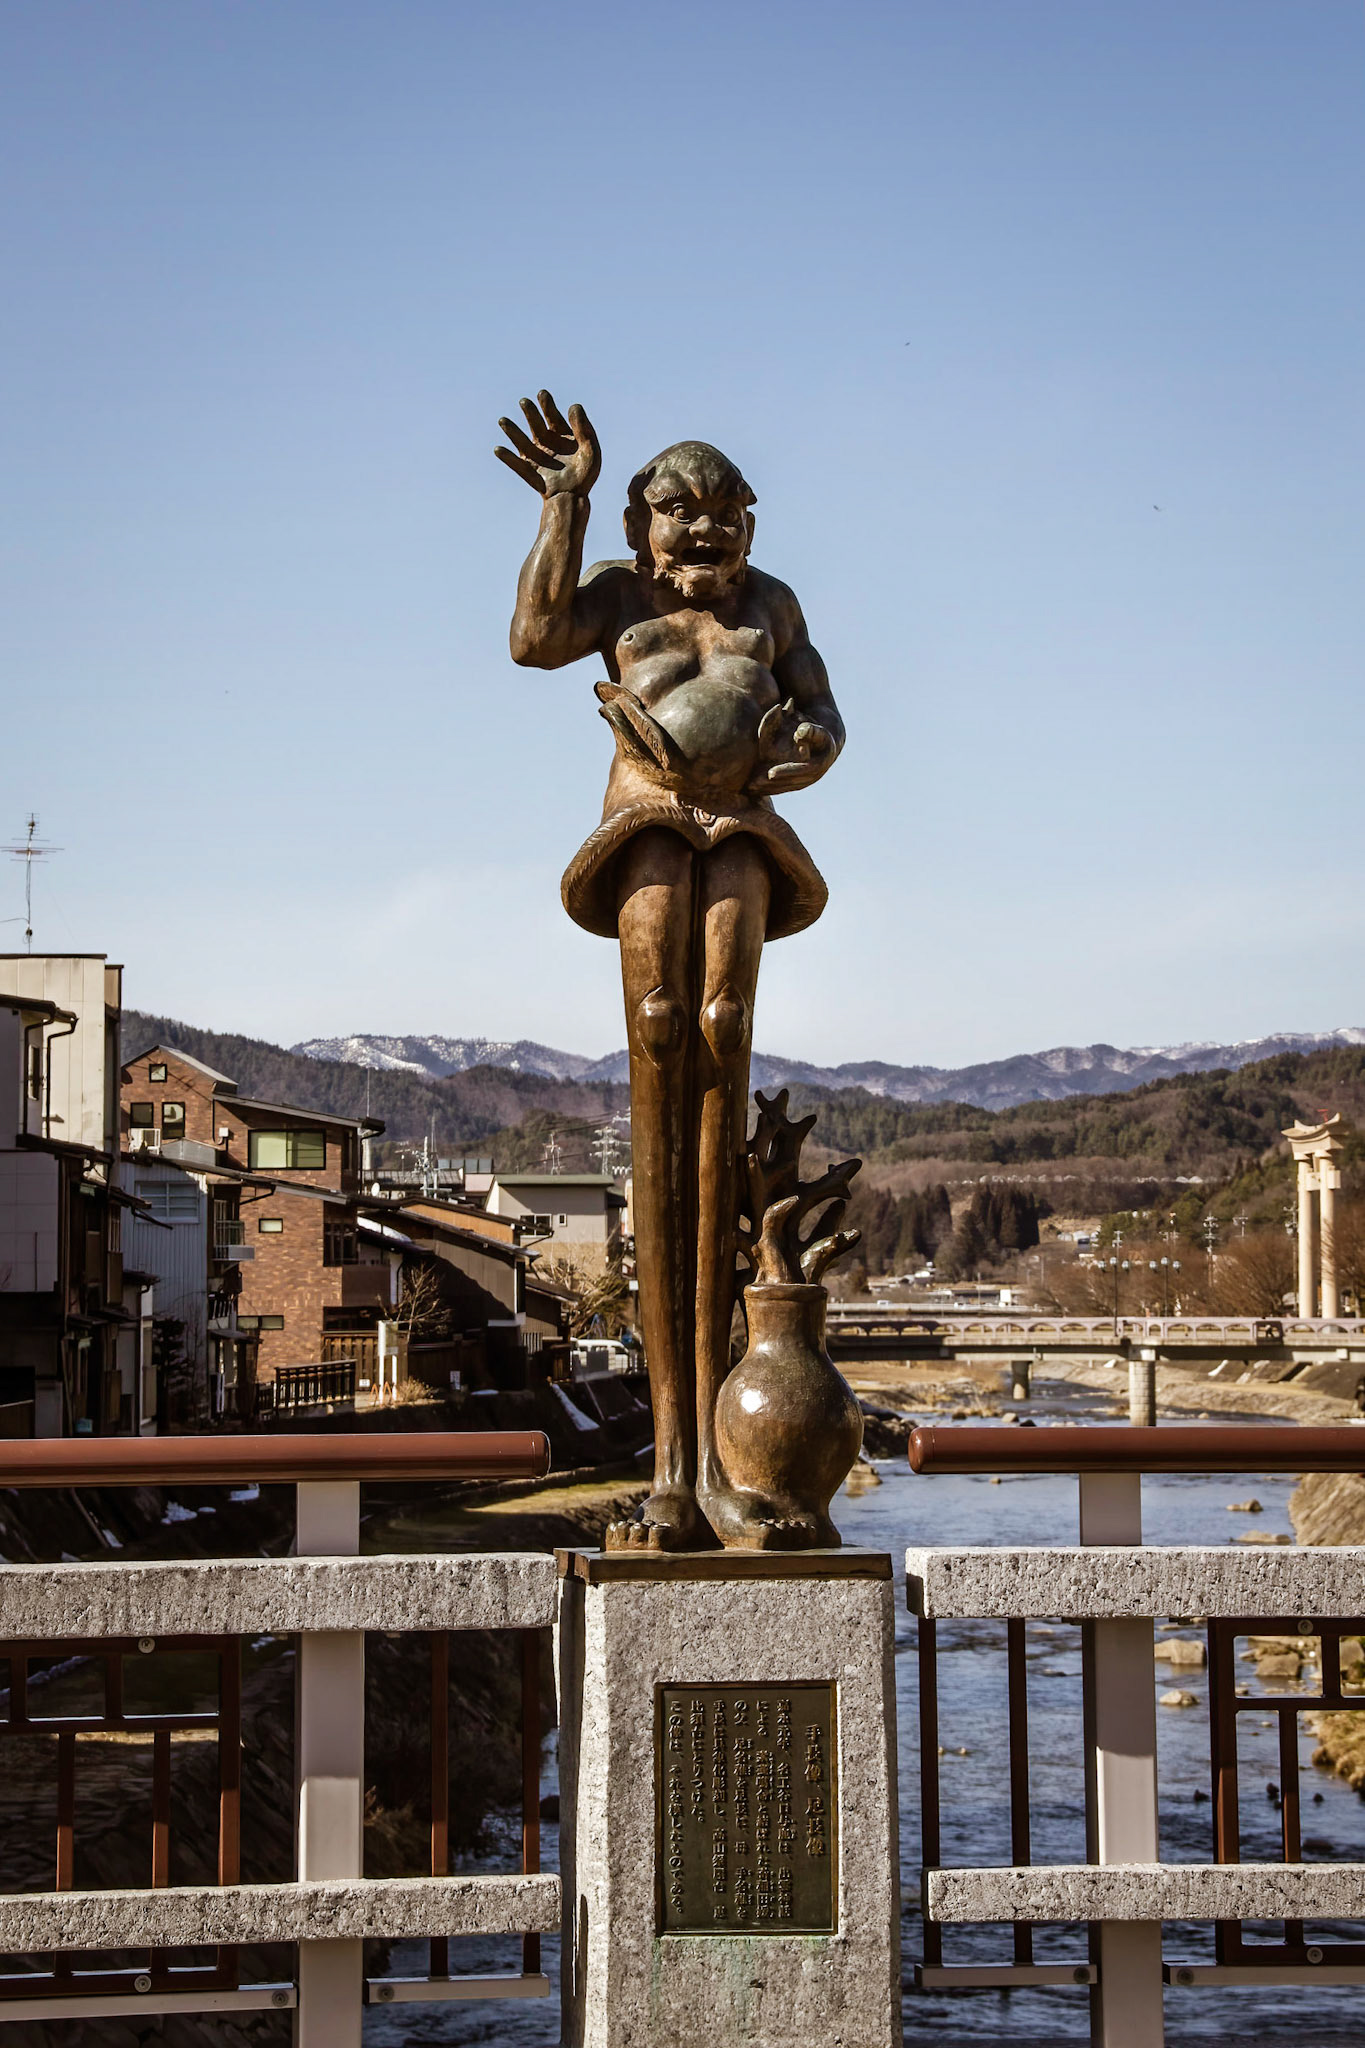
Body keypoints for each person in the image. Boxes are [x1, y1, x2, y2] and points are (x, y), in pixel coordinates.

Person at [497, 392, 844, 1549]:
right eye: (677, 514)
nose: (701, 535)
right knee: (659, 1026)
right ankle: (670, 1464)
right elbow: (534, 637)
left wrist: (805, 744)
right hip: (645, 818)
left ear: (750, 523)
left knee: (722, 1024)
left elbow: (826, 714)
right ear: (644, 524)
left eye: (723, 515)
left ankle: (714, 1466)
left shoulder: (771, 606)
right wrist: (564, 503)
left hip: (741, 826)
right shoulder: (622, 598)